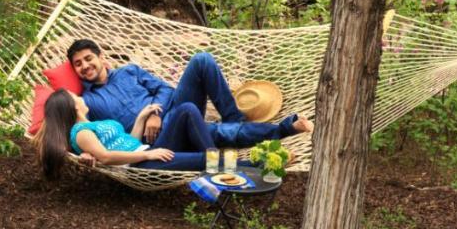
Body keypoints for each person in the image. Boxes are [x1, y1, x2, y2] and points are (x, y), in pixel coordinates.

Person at [66, 39, 312, 149]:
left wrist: (156, 113)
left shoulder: (129, 71)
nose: (85, 66)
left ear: (101, 57)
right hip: (158, 138)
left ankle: (234, 119)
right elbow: (91, 134)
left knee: (201, 60)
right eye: (78, 64)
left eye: (89, 58)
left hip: (170, 111)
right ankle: (283, 130)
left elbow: (164, 89)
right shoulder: (87, 102)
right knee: (212, 130)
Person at [36, 89, 214, 178]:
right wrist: (147, 154)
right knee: (205, 160)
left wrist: (141, 119)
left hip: (145, 153)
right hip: (141, 169)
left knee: (187, 109)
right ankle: (236, 171)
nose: (80, 97)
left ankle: (223, 171)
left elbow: (130, 142)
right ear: (74, 106)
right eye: (76, 96)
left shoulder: (93, 124)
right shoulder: (80, 132)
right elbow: (105, 157)